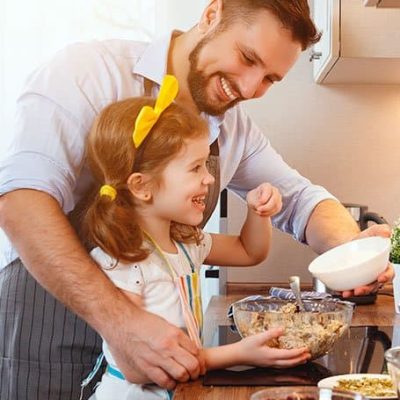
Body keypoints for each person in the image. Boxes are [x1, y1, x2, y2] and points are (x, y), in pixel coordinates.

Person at [0, 0, 392, 399]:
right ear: (212, 14)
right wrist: (120, 321)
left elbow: (301, 200)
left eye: (270, 79)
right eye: (247, 58)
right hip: (49, 314)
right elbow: (20, 200)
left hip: (158, 345)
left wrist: (351, 253)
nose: (249, 88)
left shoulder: (235, 128)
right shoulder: (88, 71)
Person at [81, 75, 310, 400]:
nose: (208, 179)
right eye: (195, 168)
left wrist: (258, 212)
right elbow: (137, 365)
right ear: (141, 186)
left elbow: (249, 251)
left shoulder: (187, 244)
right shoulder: (122, 258)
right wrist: (238, 354)